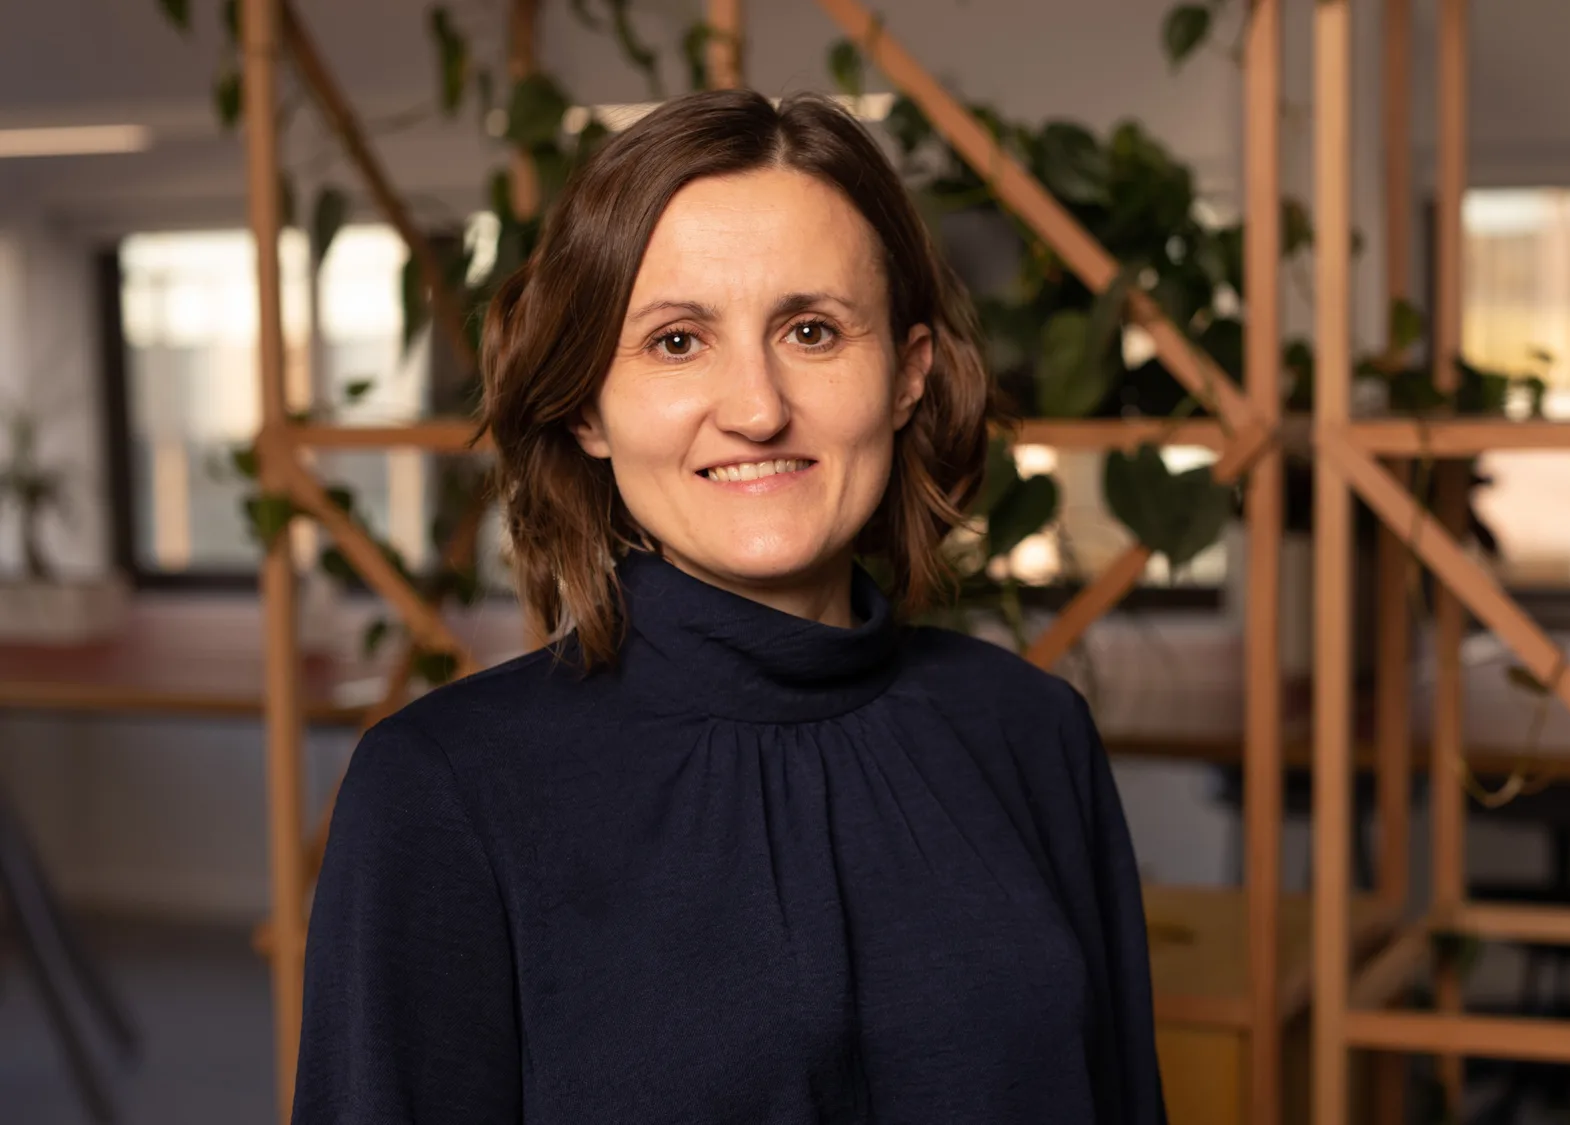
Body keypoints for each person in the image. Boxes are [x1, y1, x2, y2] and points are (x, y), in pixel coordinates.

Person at [290, 88, 1166, 1124]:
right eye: (675, 342)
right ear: (585, 408)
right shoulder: (444, 793)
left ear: (905, 374)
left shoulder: (1031, 735)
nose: (755, 409)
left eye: (810, 329)